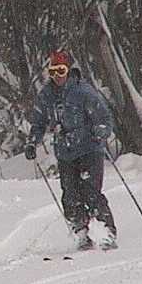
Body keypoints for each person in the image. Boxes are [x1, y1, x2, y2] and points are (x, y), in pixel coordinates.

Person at [24, 50, 117, 251]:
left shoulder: (83, 92)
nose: (57, 76)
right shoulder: (46, 96)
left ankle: (106, 232)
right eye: (53, 71)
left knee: (91, 192)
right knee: (70, 196)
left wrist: (101, 130)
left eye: (61, 70)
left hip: (89, 149)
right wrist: (32, 142)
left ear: (69, 70)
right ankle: (81, 232)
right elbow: (38, 122)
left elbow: (104, 118)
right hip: (65, 153)